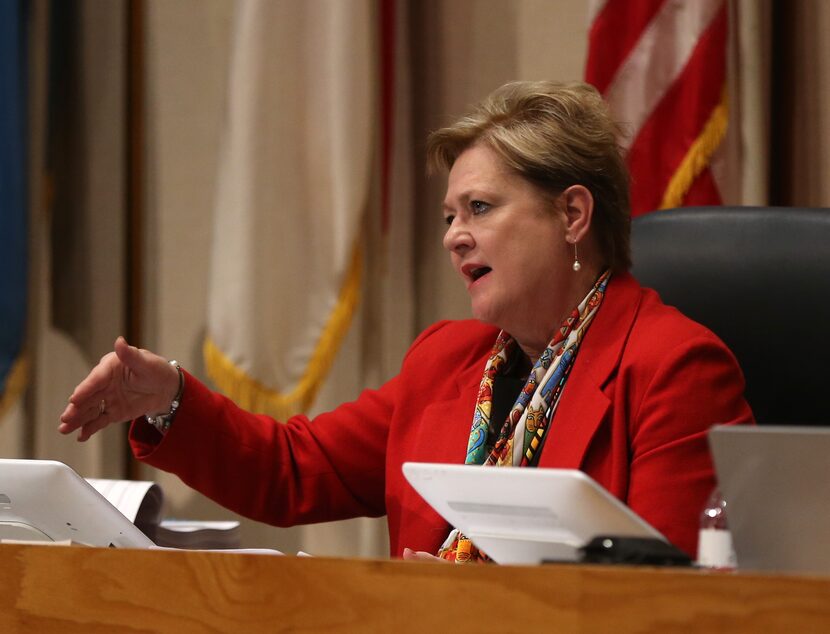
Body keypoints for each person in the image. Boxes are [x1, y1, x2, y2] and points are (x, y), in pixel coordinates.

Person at [58, 80, 753, 562]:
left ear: (572, 215)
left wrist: (474, 606)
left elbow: (673, 603)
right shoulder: (446, 360)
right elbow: (292, 469)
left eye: (480, 209)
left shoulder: (673, 369)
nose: (454, 236)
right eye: (450, 216)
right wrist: (171, 398)